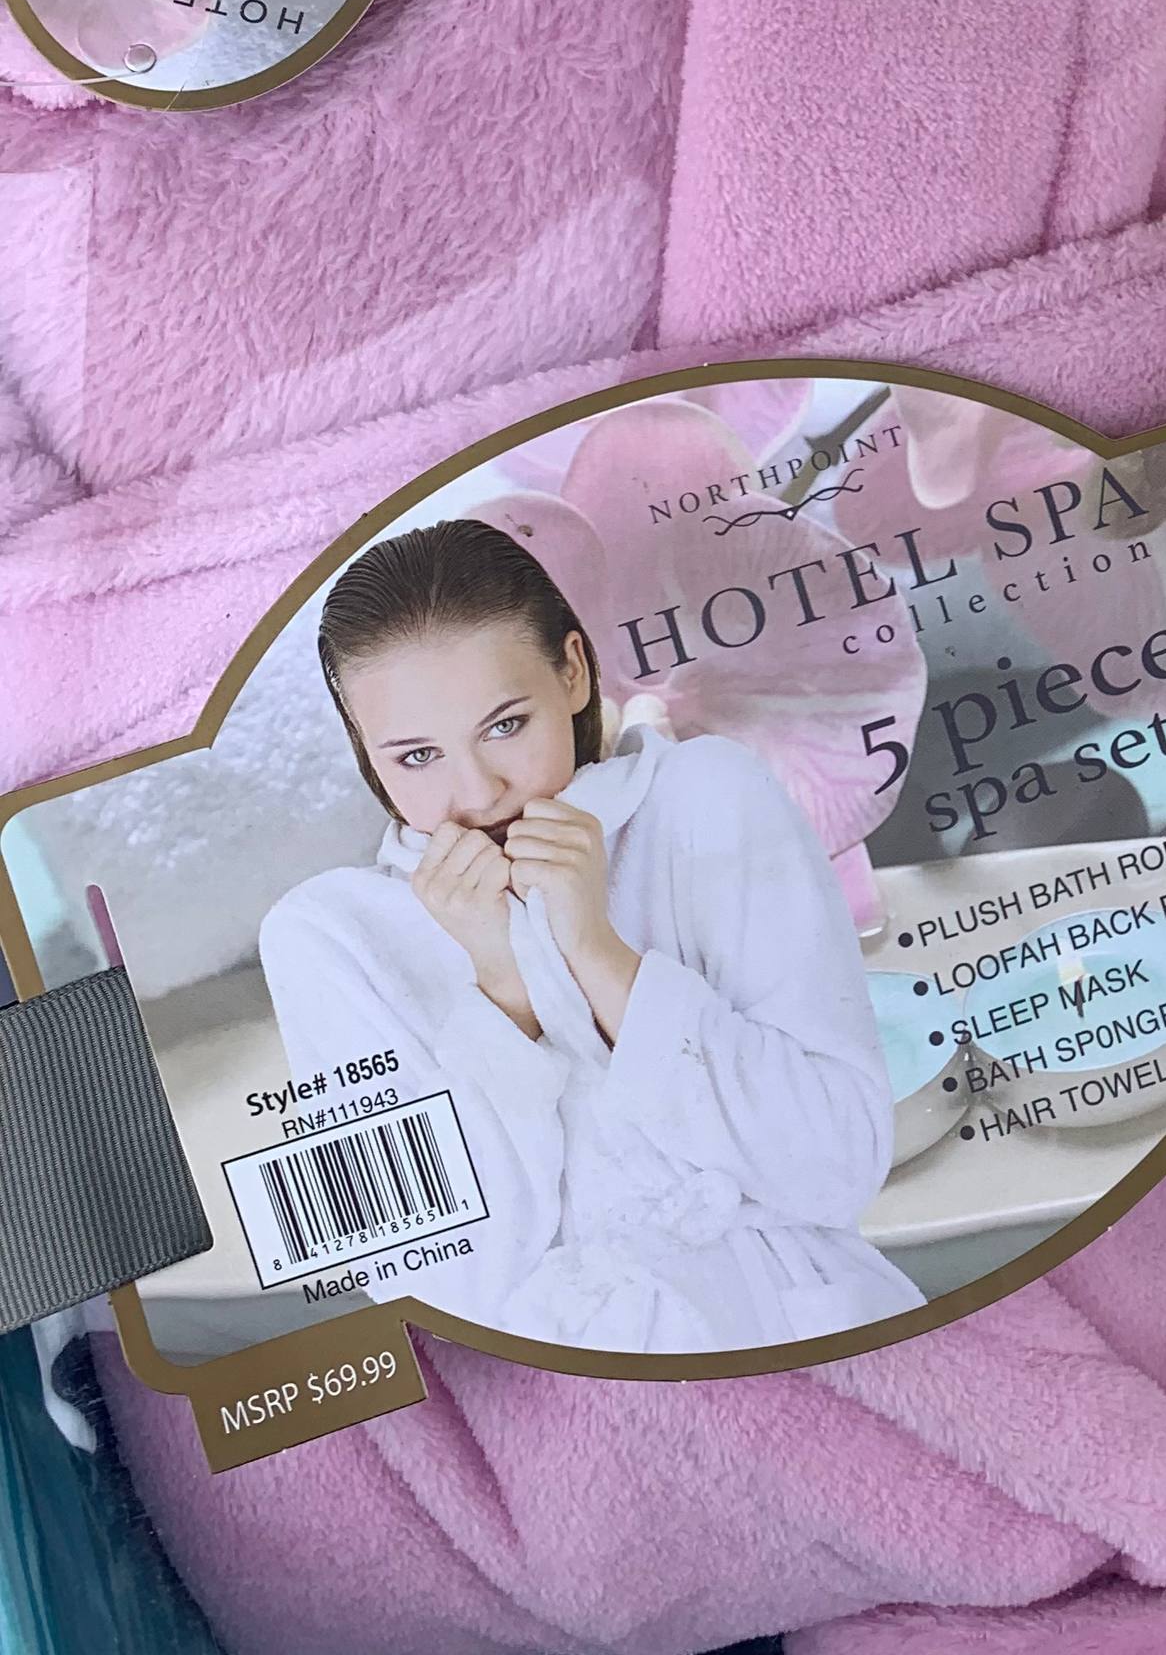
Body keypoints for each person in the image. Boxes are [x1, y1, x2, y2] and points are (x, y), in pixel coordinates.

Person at [258, 515, 921, 1349]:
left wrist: (597, 952)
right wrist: (503, 994)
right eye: (417, 757)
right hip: (556, 1382)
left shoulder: (706, 797)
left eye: (505, 726)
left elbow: (840, 1167)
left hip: (811, 1329)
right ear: (364, 748)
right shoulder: (330, 939)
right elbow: (442, 1291)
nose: (479, 793)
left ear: (572, 672)